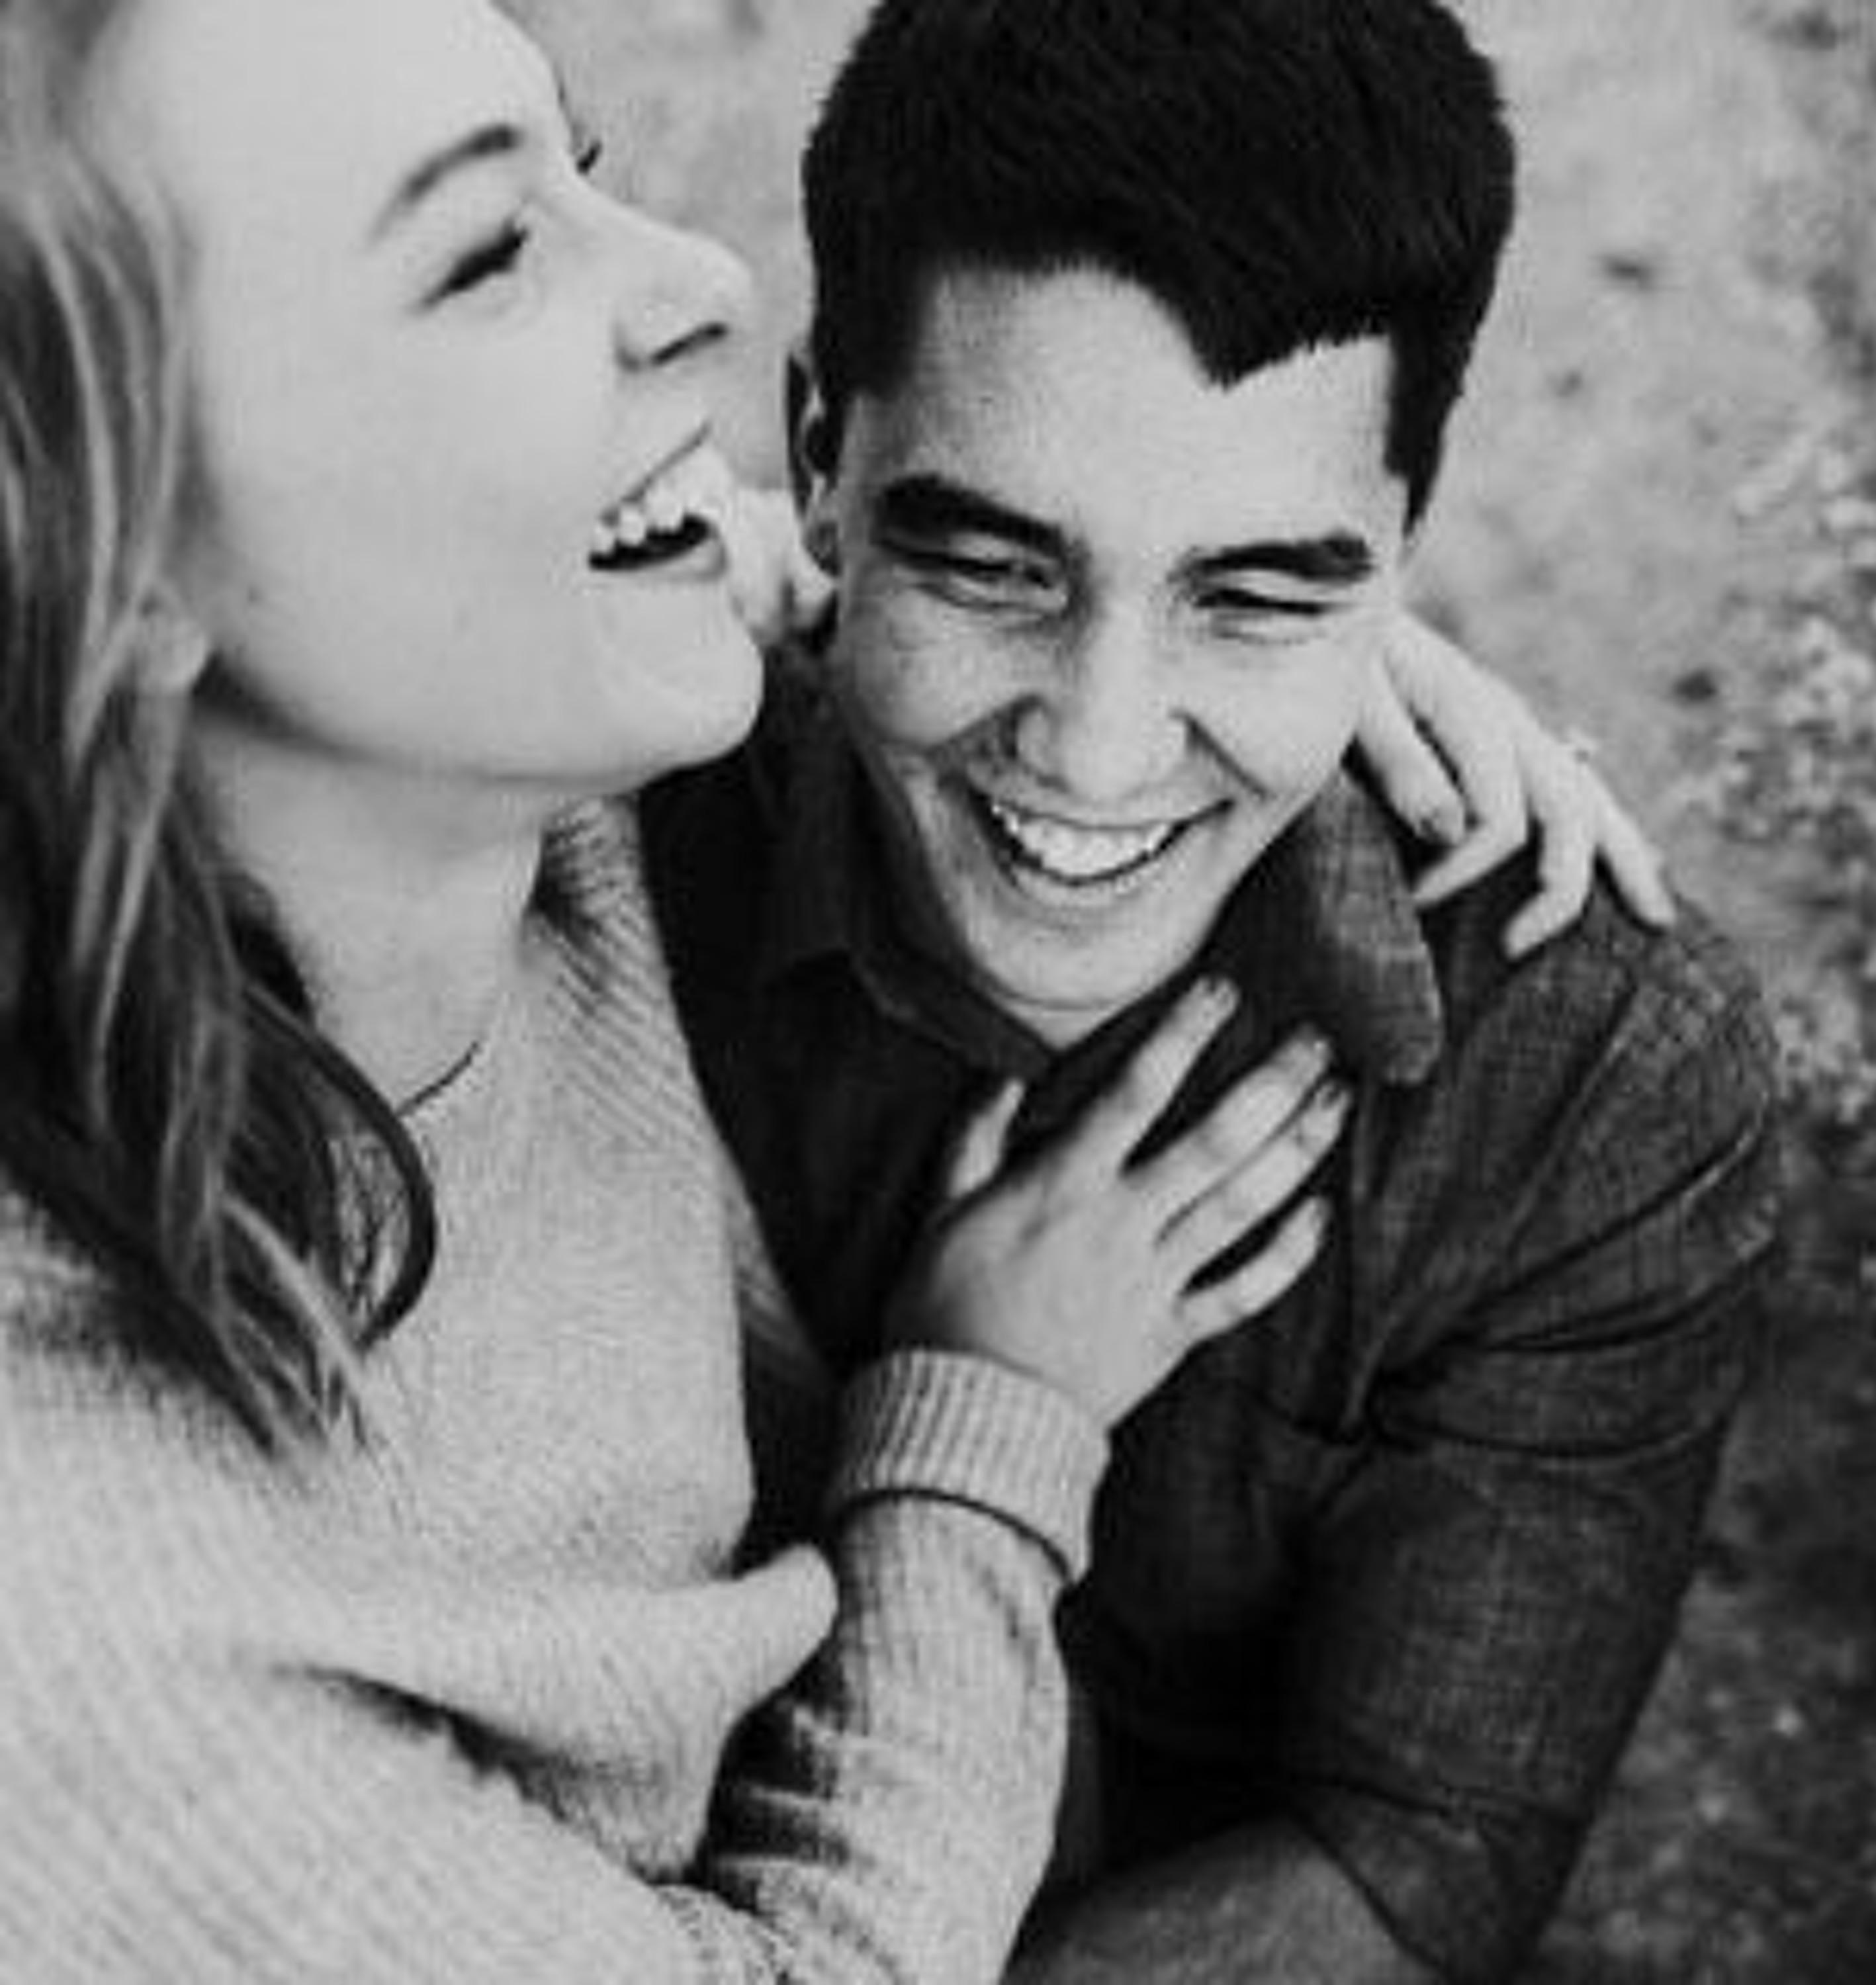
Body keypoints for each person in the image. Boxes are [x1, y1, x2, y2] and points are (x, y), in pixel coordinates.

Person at [0, 0, 1411, 1976]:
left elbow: (762, 556)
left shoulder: (474, 729)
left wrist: (1276, 635)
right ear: (97, 557)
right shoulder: (84, 1640)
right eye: (488, 251)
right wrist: (988, 1428)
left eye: (578, 170)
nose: (706, 281)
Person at [643, 2, 1783, 1980]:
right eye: (995, 568)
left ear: (1401, 547)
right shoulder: (585, 807)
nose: (1098, 750)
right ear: (820, 458)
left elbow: (1409, 1862)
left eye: (1254, 593)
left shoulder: (1591, 1071)